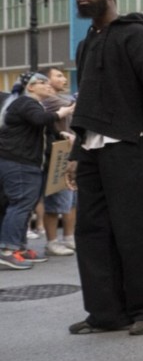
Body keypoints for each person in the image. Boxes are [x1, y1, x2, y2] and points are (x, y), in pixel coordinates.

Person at [65, 0, 143, 336]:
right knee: (91, 231)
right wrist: (74, 154)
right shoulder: (86, 44)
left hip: (128, 147)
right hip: (91, 151)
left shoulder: (135, 37)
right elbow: (86, 104)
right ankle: (106, 312)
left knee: (135, 229)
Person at [0, 73, 75, 270]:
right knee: (20, 204)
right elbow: (40, 119)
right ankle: (8, 251)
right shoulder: (25, 102)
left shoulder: (32, 105)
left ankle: (19, 248)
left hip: (27, 163)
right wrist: (64, 112)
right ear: (30, 87)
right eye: (42, 82)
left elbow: (46, 129)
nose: (47, 84)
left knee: (25, 204)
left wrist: (62, 133)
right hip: (19, 162)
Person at [40, 67, 77, 257]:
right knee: (56, 201)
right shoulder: (50, 100)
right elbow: (74, 106)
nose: (63, 79)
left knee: (70, 200)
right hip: (57, 155)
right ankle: (52, 241)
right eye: (58, 76)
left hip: (69, 153)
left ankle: (68, 238)